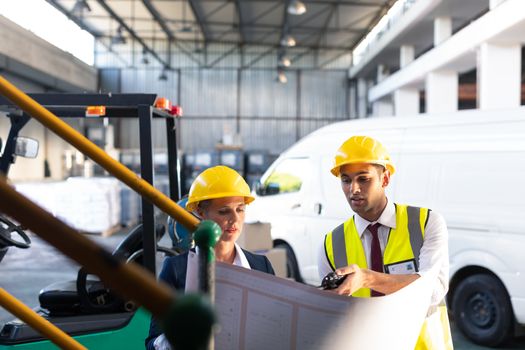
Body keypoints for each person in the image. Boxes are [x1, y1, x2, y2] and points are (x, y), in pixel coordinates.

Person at [318, 135, 452, 350]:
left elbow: (433, 290)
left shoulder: (426, 223)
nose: (354, 189)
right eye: (346, 180)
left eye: (363, 178)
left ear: (385, 179)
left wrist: (367, 279)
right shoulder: (331, 243)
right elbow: (333, 313)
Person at [146, 165, 275, 350]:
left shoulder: (261, 267)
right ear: (200, 212)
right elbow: (152, 344)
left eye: (240, 209)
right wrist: (179, 335)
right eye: (224, 211)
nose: (235, 219)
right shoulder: (176, 270)